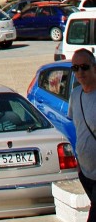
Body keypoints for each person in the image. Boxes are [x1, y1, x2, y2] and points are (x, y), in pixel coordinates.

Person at [68, 47, 96, 220]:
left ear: (94, 67)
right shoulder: (75, 94)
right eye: (75, 68)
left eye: (84, 67)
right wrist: (78, 165)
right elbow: (76, 129)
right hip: (85, 172)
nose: (80, 72)